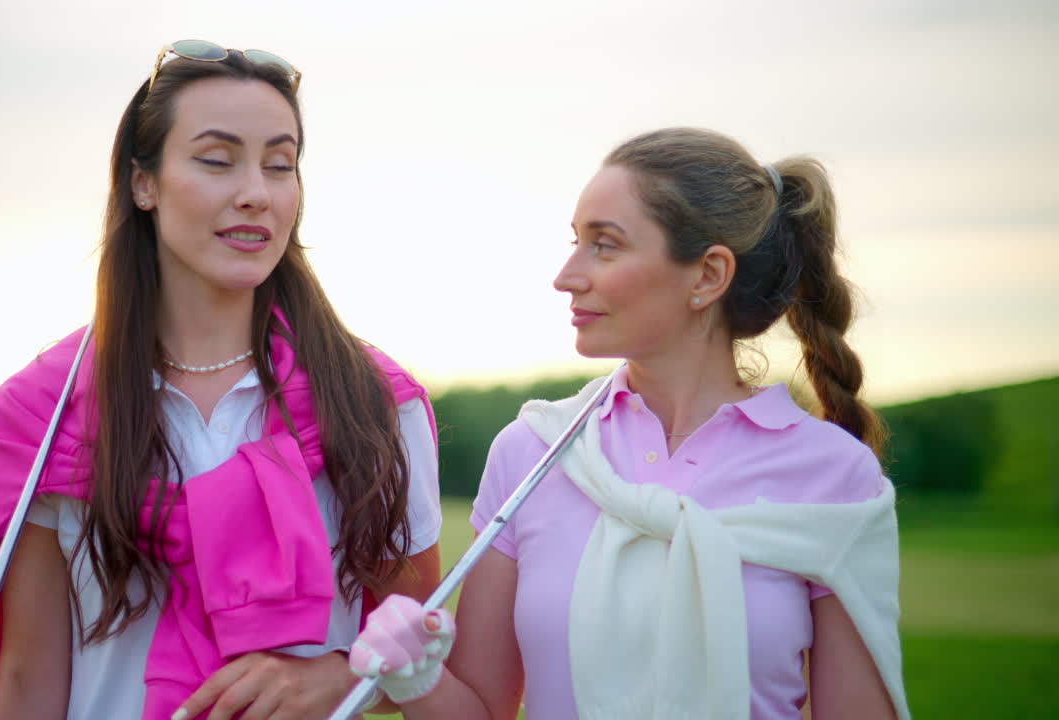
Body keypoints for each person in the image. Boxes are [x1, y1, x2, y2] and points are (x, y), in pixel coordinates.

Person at [0, 41, 442, 720]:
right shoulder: (42, 414)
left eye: (280, 164)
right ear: (143, 183)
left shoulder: (376, 402)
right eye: (216, 160)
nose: (256, 194)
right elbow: (29, 687)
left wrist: (347, 676)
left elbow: (411, 653)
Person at [347, 127, 910, 719]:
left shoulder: (836, 474)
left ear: (709, 275)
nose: (566, 276)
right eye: (575, 241)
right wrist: (417, 677)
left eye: (605, 245)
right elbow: (483, 710)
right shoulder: (533, 453)